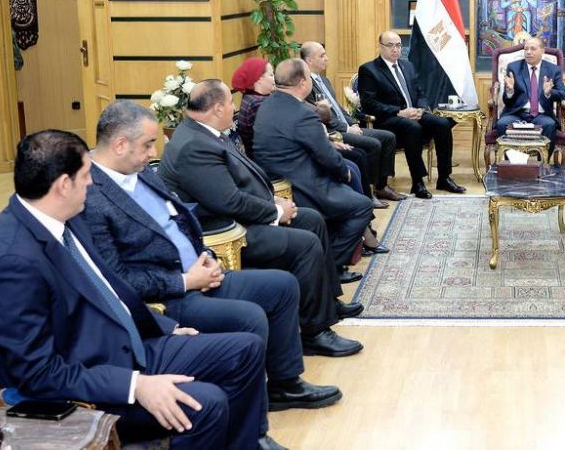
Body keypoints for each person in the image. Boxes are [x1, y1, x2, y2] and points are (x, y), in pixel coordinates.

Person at [0, 130, 279, 449]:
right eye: (86, 175)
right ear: (64, 184)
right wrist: (134, 386)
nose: (92, 183)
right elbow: (37, 372)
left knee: (245, 350)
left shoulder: (65, 218)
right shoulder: (11, 262)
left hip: (126, 346)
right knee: (205, 403)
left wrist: (166, 327)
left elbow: (109, 288)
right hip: (88, 381)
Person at [83, 101, 343, 413]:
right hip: (168, 297)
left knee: (283, 286)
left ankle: (285, 385)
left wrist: (205, 256)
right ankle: (251, 425)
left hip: (199, 272)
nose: (153, 153)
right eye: (148, 144)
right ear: (120, 144)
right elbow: (116, 279)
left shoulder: (139, 172)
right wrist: (185, 280)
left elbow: (179, 221)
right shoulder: (91, 196)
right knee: (250, 317)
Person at [158, 79, 364, 356]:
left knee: (312, 219)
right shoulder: (194, 146)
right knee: (305, 244)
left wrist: (273, 202)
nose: (234, 108)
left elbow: (239, 184)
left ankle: (326, 303)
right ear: (217, 108)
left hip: (242, 217)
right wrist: (275, 212)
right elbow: (228, 201)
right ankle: (315, 332)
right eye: (230, 104)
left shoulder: (205, 133)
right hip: (227, 231)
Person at [253, 59, 374, 270]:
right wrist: (343, 172)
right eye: (309, 77)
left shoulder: (268, 105)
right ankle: (331, 265)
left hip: (277, 179)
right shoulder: (303, 113)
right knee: (362, 206)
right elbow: (325, 154)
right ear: (302, 82)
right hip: (303, 185)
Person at [357, 30, 464, 199]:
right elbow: (369, 103)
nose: (395, 49)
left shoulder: (408, 66)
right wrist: (399, 112)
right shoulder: (369, 69)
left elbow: (419, 93)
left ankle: (444, 177)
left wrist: (421, 108)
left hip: (414, 113)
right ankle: (417, 182)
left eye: (398, 45)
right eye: (390, 45)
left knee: (443, 123)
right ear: (380, 47)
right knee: (413, 127)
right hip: (389, 118)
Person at [301, 40, 404, 202]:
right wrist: (347, 129)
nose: (327, 58)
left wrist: (352, 122)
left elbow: (337, 108)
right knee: (373, 144)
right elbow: (320, 117)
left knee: (388, 137)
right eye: (322, 56)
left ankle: (381, 186)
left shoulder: (324, 80)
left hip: (346, 126)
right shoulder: (306, 84)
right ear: (309, 60)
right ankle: (368, 191)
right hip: (333, 131)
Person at [495, 36, 565, 155]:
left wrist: (549, 92)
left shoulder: (553, 70)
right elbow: (507, 101)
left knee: (549, 125)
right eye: (526, 49)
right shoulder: (514, 67)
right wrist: (510, 91)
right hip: (517, 114)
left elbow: (564, 95)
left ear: (542, 51)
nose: (528, 52)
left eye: (533, 49)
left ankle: (544, 162)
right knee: (503, 123)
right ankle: (512, 162)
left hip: (542, 115)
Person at [231, 58, 274, 158]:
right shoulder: (258, 104)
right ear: (259, 79)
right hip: (264, 160)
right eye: (271, 75)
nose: (274, 79)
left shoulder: (250, 96)